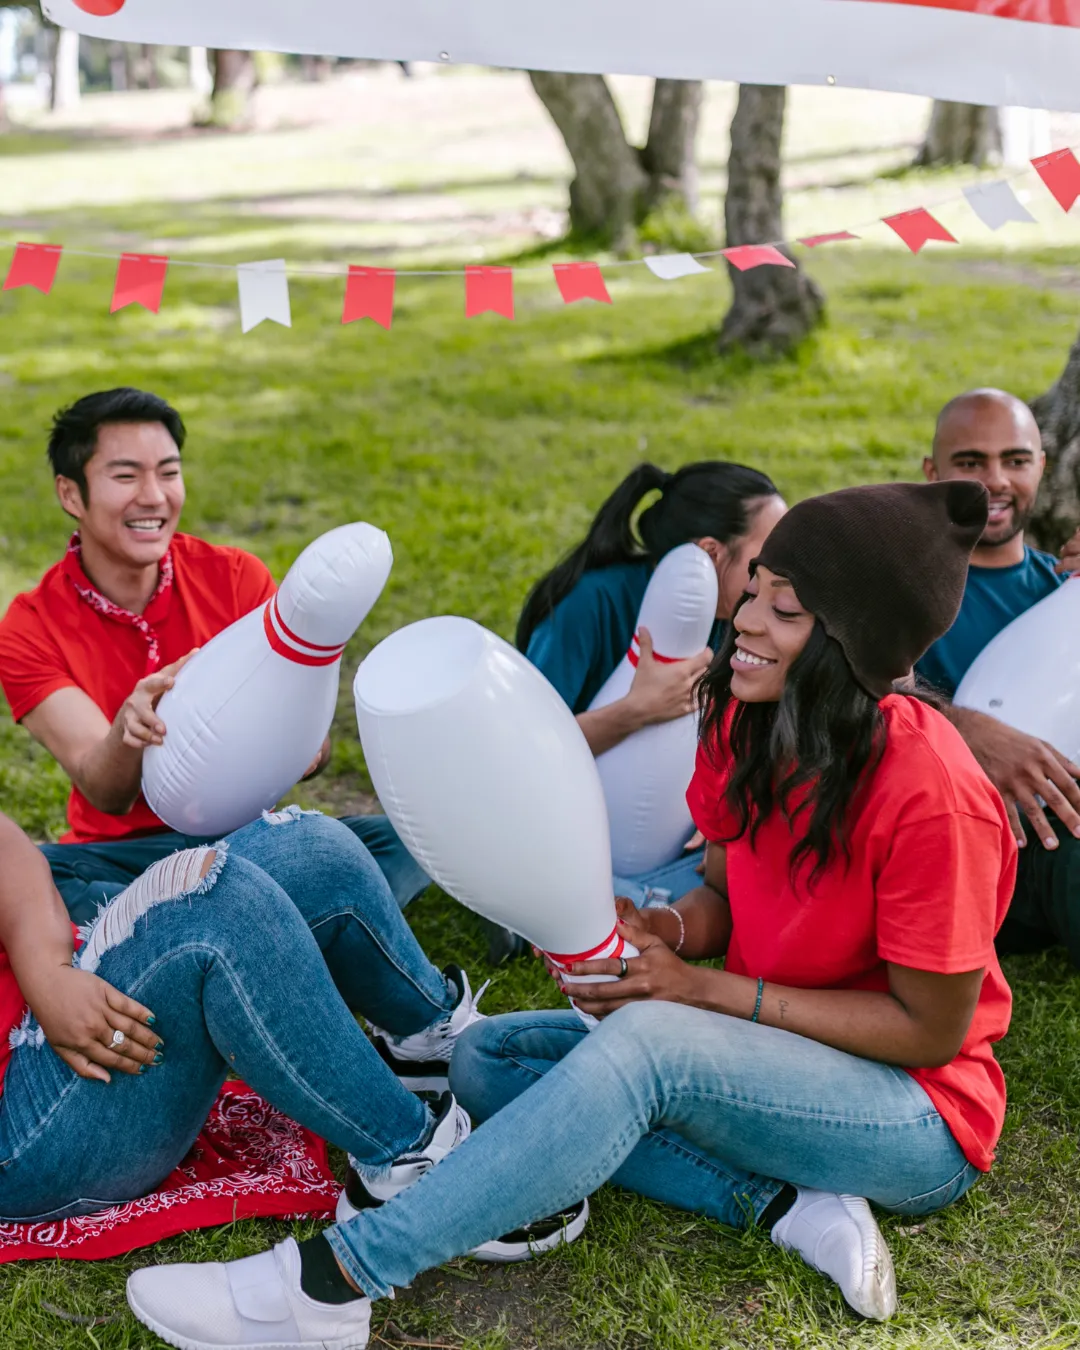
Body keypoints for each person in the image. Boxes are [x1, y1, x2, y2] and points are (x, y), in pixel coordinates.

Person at [127, 480, 1016, 1346]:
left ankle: (331, 1285)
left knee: (649, 1047)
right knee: (484, 1057)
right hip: (779, 1058)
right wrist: (664, 932)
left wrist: (700, 996)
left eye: (784, 612)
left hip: (915, 1116)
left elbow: (929, 1031)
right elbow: (721, 901)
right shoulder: (749, 721)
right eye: (755, 593)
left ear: (850, 644)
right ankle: (786, 1203)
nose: (742, 621)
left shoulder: (934, 795)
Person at [0, 803, 582, 1261]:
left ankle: (426, 1045)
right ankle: (411, 1166)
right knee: (218, 910)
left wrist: (48, 975)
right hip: (24, 1138)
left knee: (307, 847)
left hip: (46, 1012)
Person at [0, 389, 428, 925]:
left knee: (397, 840)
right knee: (39, 878)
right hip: (128, 854)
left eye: (169, 472)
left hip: (246, 841)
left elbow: (313, 753)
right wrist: (128, 730)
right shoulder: (29, 625)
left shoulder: (234, 576)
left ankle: (190, 930)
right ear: (71, 494)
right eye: (126, 476)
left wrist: (298, 742)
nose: (154, 497)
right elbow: (105, 792)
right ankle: (276, 926)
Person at [502, 462, 785, 951]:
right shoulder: (589, 603)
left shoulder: (737, 615)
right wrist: (636, 710)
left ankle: (613, 906)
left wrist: (717, 811)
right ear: (711, 554)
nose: (776, 579)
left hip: (672, 841)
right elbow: (516, 758)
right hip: (561, 830)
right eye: (762, 563)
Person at [918, 388, 1080, 963]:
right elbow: (847, 692)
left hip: (1054, 822)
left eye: (1015, 460)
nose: (996, 480)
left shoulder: (1061, 592)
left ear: (1042, 466)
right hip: (954, 848)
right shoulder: (894, 580)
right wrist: (963, 727)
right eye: (970, 462)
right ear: (932, 473)